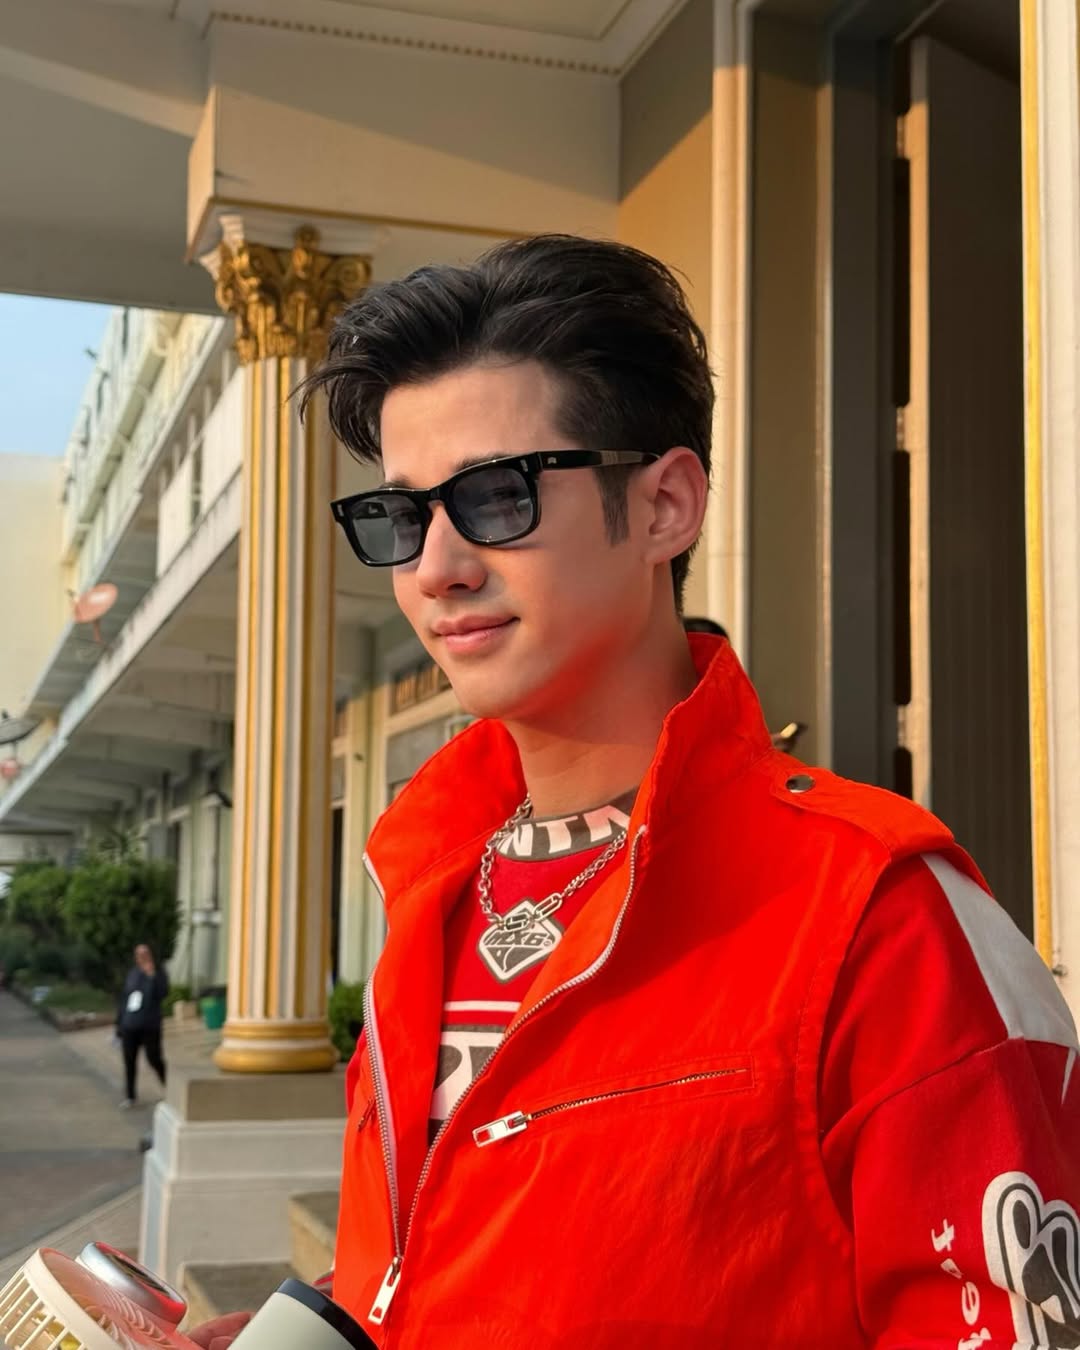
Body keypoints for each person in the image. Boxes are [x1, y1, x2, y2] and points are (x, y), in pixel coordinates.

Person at [192, 236, 1080, 1348]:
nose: (436, 568)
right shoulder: (429, 882)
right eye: (403, 516)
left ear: (665, 504)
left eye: (497, 495)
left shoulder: (877, 914)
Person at [116, 942, 168, 1108]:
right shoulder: (133, 974)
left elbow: (163, 993)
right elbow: (124, 999)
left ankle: (168, 1087)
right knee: (129, 1061)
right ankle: (130, 1096)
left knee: (154, 1058)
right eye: (139, 954)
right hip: (130, 1025)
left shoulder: (158, 973)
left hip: (149, 1025)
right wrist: (119, 1024)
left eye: (145, 954)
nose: (142, 957)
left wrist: (152, 975)